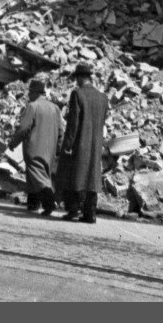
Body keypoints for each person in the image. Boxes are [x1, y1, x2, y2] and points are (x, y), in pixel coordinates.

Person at [56, 62, 108, 225]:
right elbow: (102, 121)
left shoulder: (77, 94)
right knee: (92, 177)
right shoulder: (103, 97)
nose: (76, 82)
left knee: (74, 175)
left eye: (76, 78)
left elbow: (73, 123)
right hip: (96, 144)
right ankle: (90, 213)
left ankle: (74, 210)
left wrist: (68, 145)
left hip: (80, 143)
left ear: (80, 78)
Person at [7, 77, 64, 216]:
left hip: (34, 148)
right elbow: (61, 131)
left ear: (35, 92)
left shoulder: (33, 106)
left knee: (38, 177)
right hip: (50, 150)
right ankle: (33, 204)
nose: (28, 95)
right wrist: (58, 148)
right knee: (37, 176)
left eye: (30, 92)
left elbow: (23, 128)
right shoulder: (55, 108)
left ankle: (49, 202)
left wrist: (13, 143)